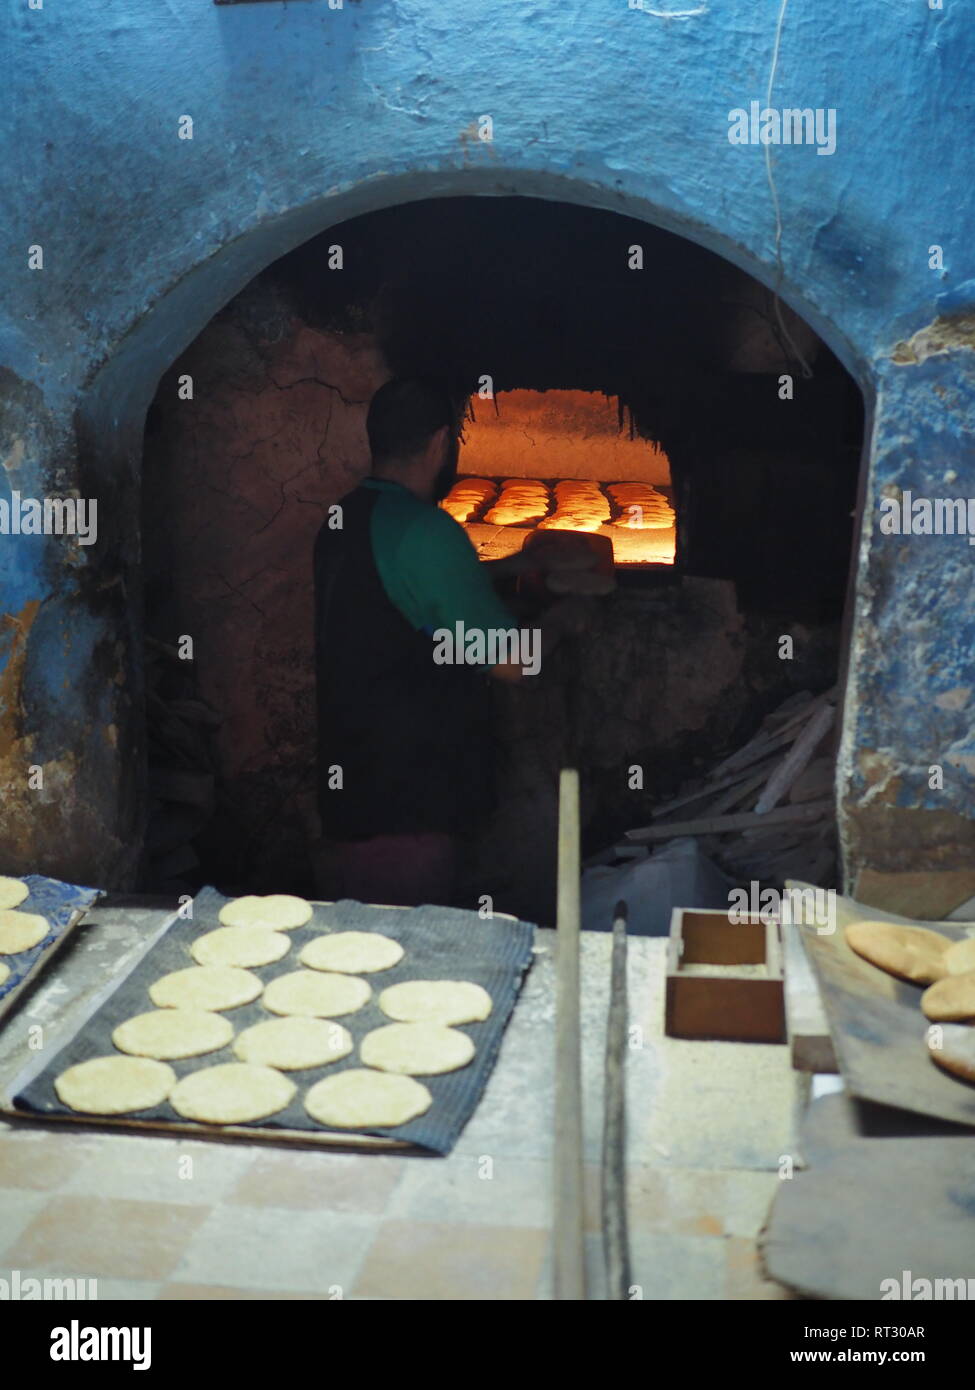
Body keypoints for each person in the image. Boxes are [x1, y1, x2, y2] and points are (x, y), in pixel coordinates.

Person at [313, 377, 581, 907]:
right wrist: (569, 616)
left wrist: (509, 567)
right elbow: (514, 664)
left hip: (354, 781)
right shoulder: (429, 532)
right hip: (408, 801)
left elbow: (405, 594)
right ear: (441, 442)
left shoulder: (345, 519)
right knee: (404, 951)